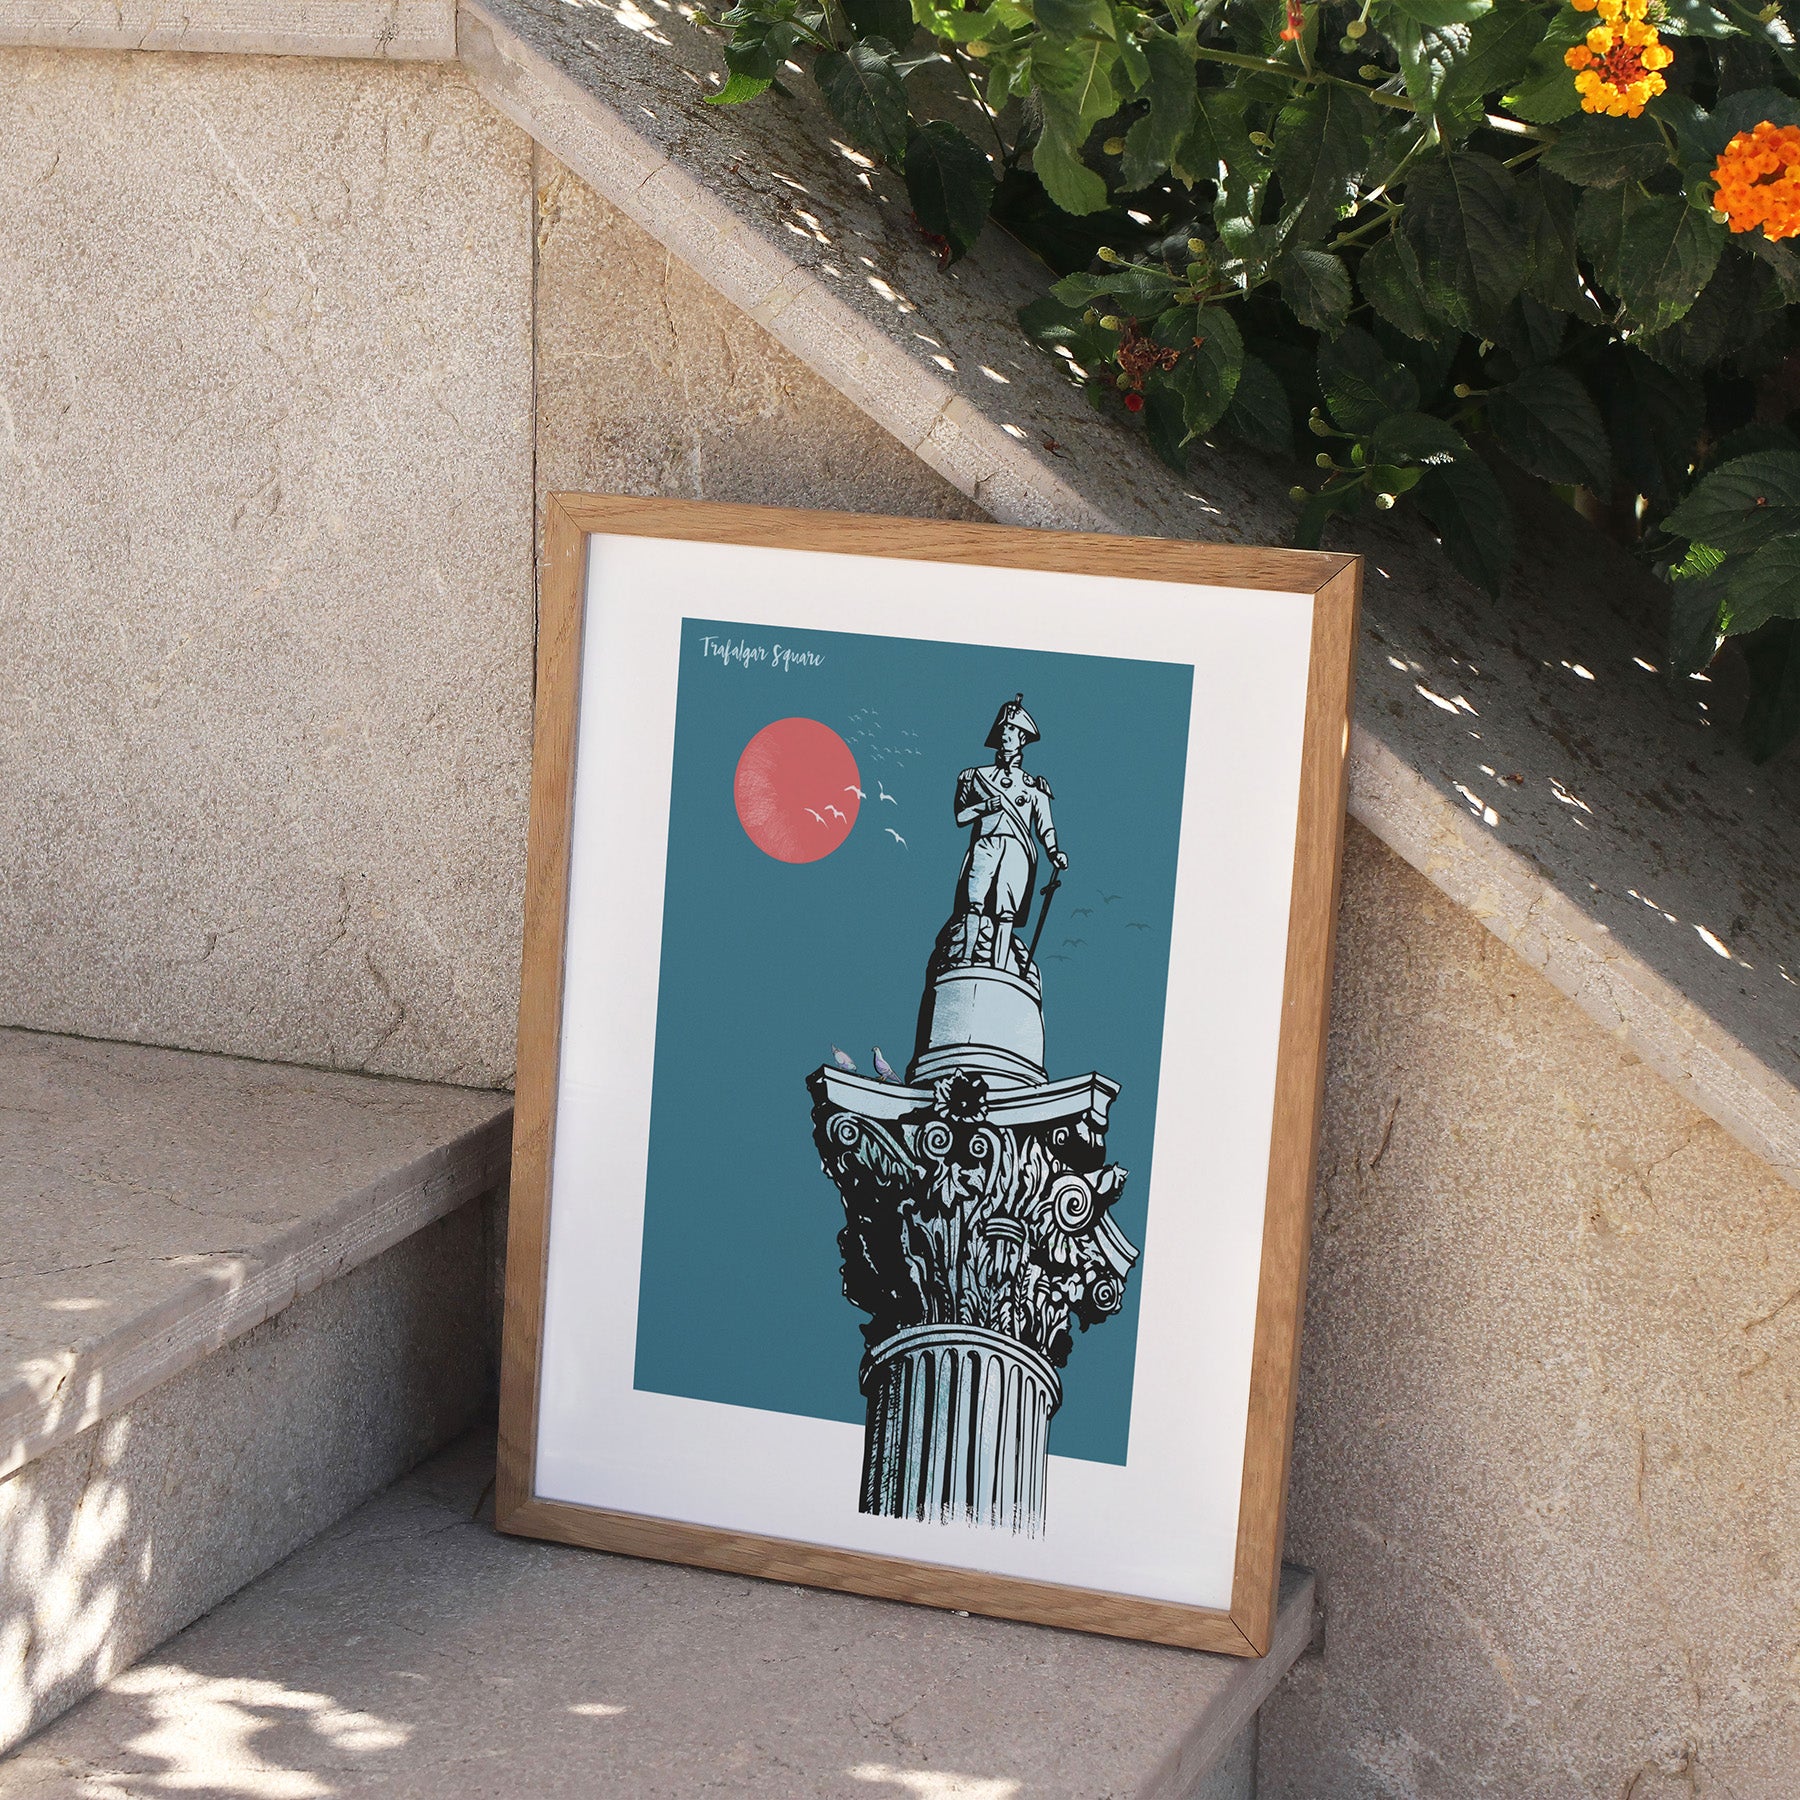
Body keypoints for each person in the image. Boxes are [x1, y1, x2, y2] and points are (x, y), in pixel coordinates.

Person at [951, 695, 1068, 974]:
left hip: (1017, 850)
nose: (1006, 734)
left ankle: (1000, 966)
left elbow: (1045, 827)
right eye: (1004, 729)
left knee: (1006, 913)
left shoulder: (1034, 786)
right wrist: (984, 806)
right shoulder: (974, 776)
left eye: (1013, 730)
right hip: (985, 843)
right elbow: (960, 817)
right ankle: (966, 960)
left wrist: (1054, 852)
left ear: (1023, 739)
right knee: (974, 904)